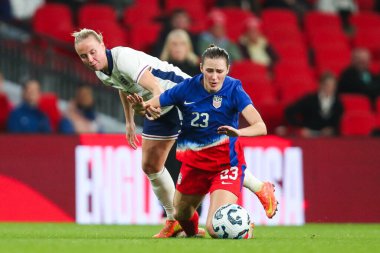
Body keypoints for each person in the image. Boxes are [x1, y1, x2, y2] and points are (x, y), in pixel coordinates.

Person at [72, 28, 277, 238]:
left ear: (102, 44)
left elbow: (156, 88)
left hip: (177, 94)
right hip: (155, 105)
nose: (89, 58)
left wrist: (152, 107)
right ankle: (174, 220)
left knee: (212, 145)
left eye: (92, 52)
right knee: (150, 165)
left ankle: (259, 187)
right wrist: (129, 121)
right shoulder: (101, 70)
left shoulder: (123, 57)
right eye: (83, 56)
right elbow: (125, 87)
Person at [137, 45, 268, 238]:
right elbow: (157, 102)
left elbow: (260, 126)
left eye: (219, 71)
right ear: (201, 68)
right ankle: (192, 235)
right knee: (180, 214)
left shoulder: (234, 89)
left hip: (225, 166)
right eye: (210, 70)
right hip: (194, 165)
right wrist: (142, 106)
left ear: (227, 70)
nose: (214, 76)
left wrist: (238, 132)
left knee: (215, 228)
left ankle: (244, 226)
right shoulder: (188, 87)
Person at [285, 72, 344, 137]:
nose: (330, 88)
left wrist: (333, 129)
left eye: (333, 85)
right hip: (309, 137)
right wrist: (300, 127)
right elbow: (289, 111)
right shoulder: (309, 99)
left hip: (329, 138)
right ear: (320, 85)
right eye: (327, 85)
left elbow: (339, 122)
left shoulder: (338, 103)